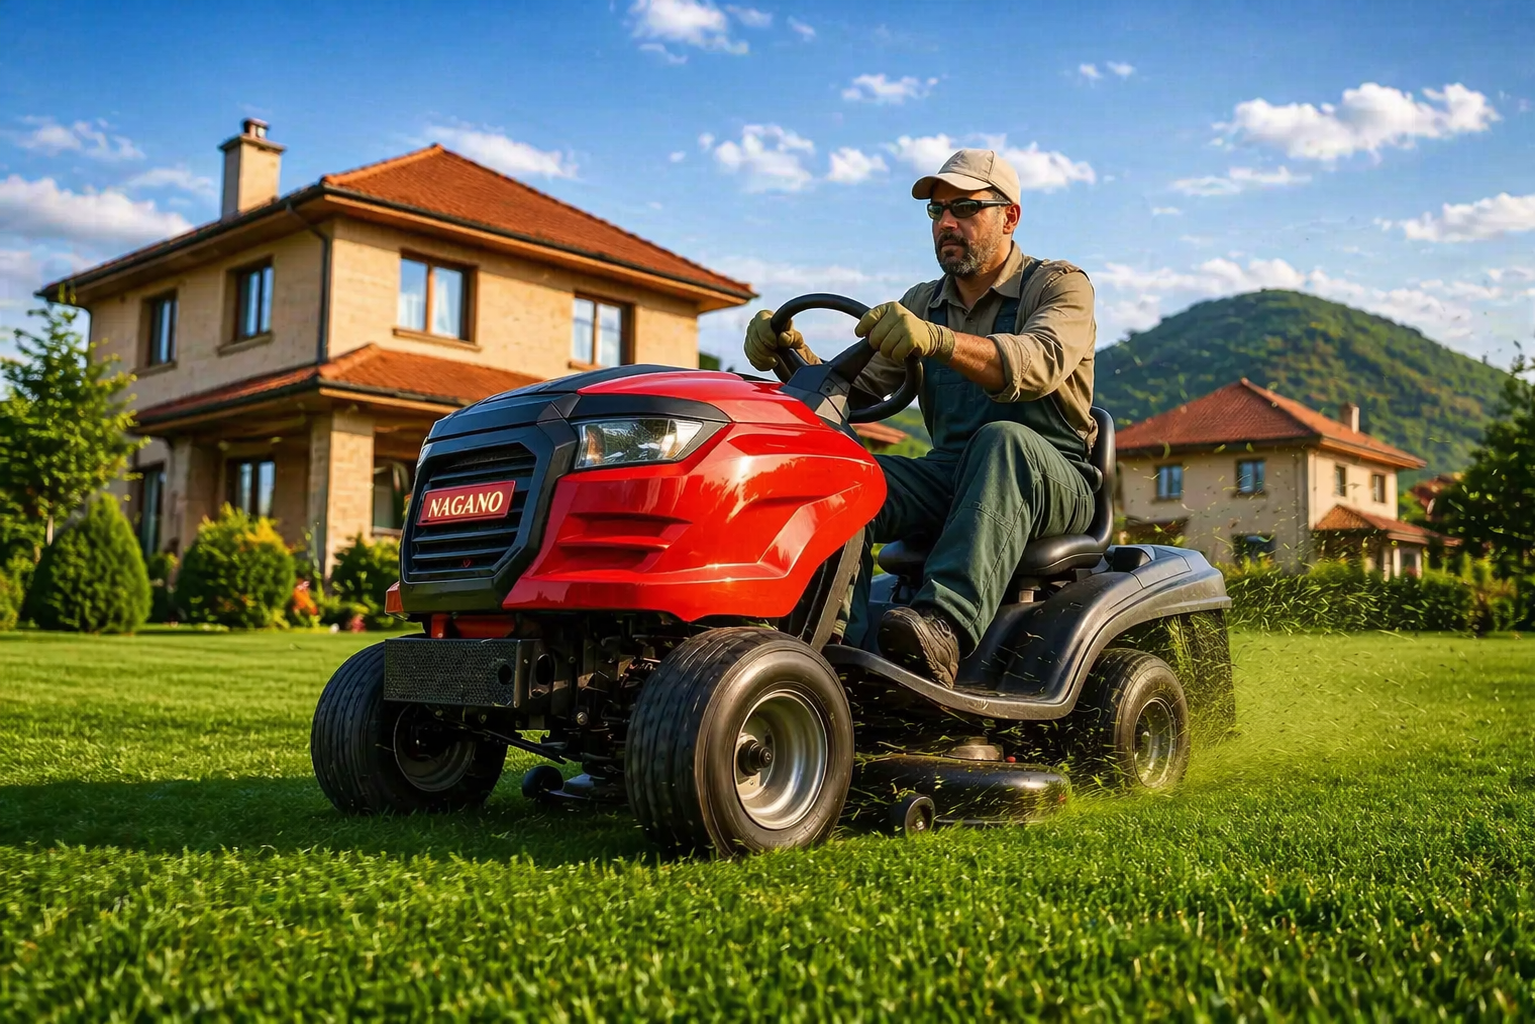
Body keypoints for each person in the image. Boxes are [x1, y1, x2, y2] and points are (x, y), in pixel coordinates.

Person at [742, 148, 1099, 687]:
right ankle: (822, 648)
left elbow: (1040, 362)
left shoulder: (1057, 285)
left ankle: (942, 628)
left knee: (1003, 440)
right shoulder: (921, 302)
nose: (947, 223)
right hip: (951, 474)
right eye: (936, 212)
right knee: (845, 472)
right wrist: (789, 355)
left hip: (1053, 478)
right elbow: (854, 393)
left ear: (1010, 216)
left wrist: (940, 340)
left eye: (964, 208)